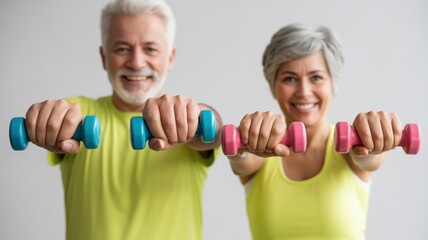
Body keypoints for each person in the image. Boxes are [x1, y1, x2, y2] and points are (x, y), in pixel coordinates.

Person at [23, 0, 222, 239]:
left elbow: (215, 132)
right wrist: (46, 117)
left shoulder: (187, 120)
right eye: (122, 49)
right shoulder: (79, 114)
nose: (136, 62)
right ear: (103, 57)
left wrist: (199, 116)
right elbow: (59, 117)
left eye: (150, 49)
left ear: (170, 57)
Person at [226, 23, 403, 239]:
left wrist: (378, 133)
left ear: (332, 83)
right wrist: (242, 144)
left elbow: (370, 159)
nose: (304, 91)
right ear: (274, 86)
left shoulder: (351, 147)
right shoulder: (260, 153)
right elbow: (240, 159)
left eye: (316, 77)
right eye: (289, 78)